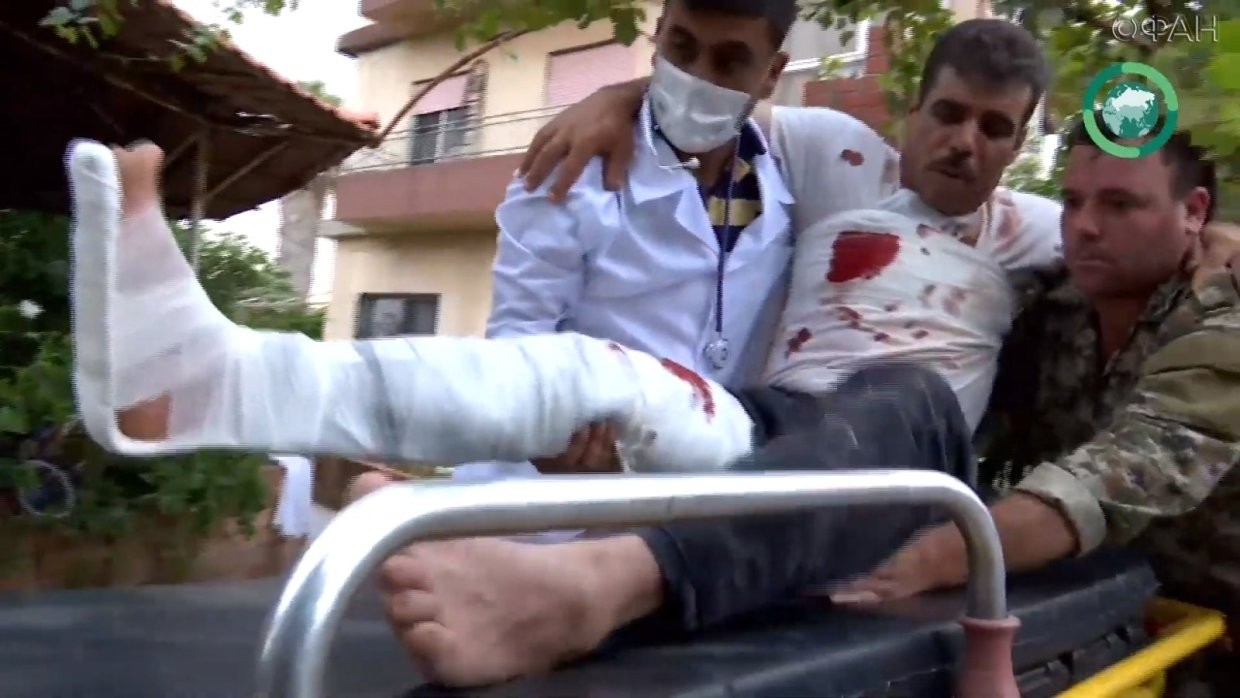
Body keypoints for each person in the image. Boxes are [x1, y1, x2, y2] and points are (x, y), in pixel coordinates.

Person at [837, 118, 1240, 693]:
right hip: (1088, 614)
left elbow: (1121, 475)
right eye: (1072, 202)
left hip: (1213, 643)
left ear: (1194, 211)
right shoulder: (1051, 305)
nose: (1085, 227)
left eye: (1120, 205)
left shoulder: (1223, 323)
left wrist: (929, 560)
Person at [455, 0, 809, 490]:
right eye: (681, 48)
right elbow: (518, 344)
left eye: (729, 62)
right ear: (657, 38)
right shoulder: (572, 170)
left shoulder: (792, 180)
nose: (697, 77)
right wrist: (549, 435)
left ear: (772, 74)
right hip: (537, 501)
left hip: (694, 503)